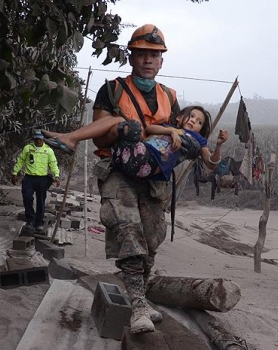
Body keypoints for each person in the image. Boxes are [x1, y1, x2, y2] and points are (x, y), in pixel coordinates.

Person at [53, 24, 226, 334]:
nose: (148, 60)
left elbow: (178, 140)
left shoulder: (170, 97)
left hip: (154, 178)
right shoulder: (113, 89)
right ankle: (138, 307)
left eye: (155, 55)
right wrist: (121, 131)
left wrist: (187, 145)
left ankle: (140, 295)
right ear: (131, 57)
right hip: (119, 169)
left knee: (152, 236)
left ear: (161, 62)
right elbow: (101, 138)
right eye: (142, 54)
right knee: (128, 231)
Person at [42, 105, 228, 181]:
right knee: (121, 122)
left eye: (199, 122)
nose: (194, 121)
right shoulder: (170, 128)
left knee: (124, 125)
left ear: (201, 129)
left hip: (148, 164)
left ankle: (71, 138)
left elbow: (211, 163)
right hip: (136, 154)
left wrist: (218, 145)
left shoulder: (197, 139)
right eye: (192, 116)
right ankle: (70, 137)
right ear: (179, 117)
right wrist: (171, 130)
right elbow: (150, 129)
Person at [11, 129, 61, 235]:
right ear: (33, 139)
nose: (37, 141)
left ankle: (39, 223)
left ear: (43, 139)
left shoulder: (48, 151)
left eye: (39, 139)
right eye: (36, 139)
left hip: (42, 179)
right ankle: (30, 220)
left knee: (41, 201)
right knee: (27, 197)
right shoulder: (28, 148)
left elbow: (53, 164)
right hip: (29, 178)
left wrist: (56, 176)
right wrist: (15, 173)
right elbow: (20, 160)